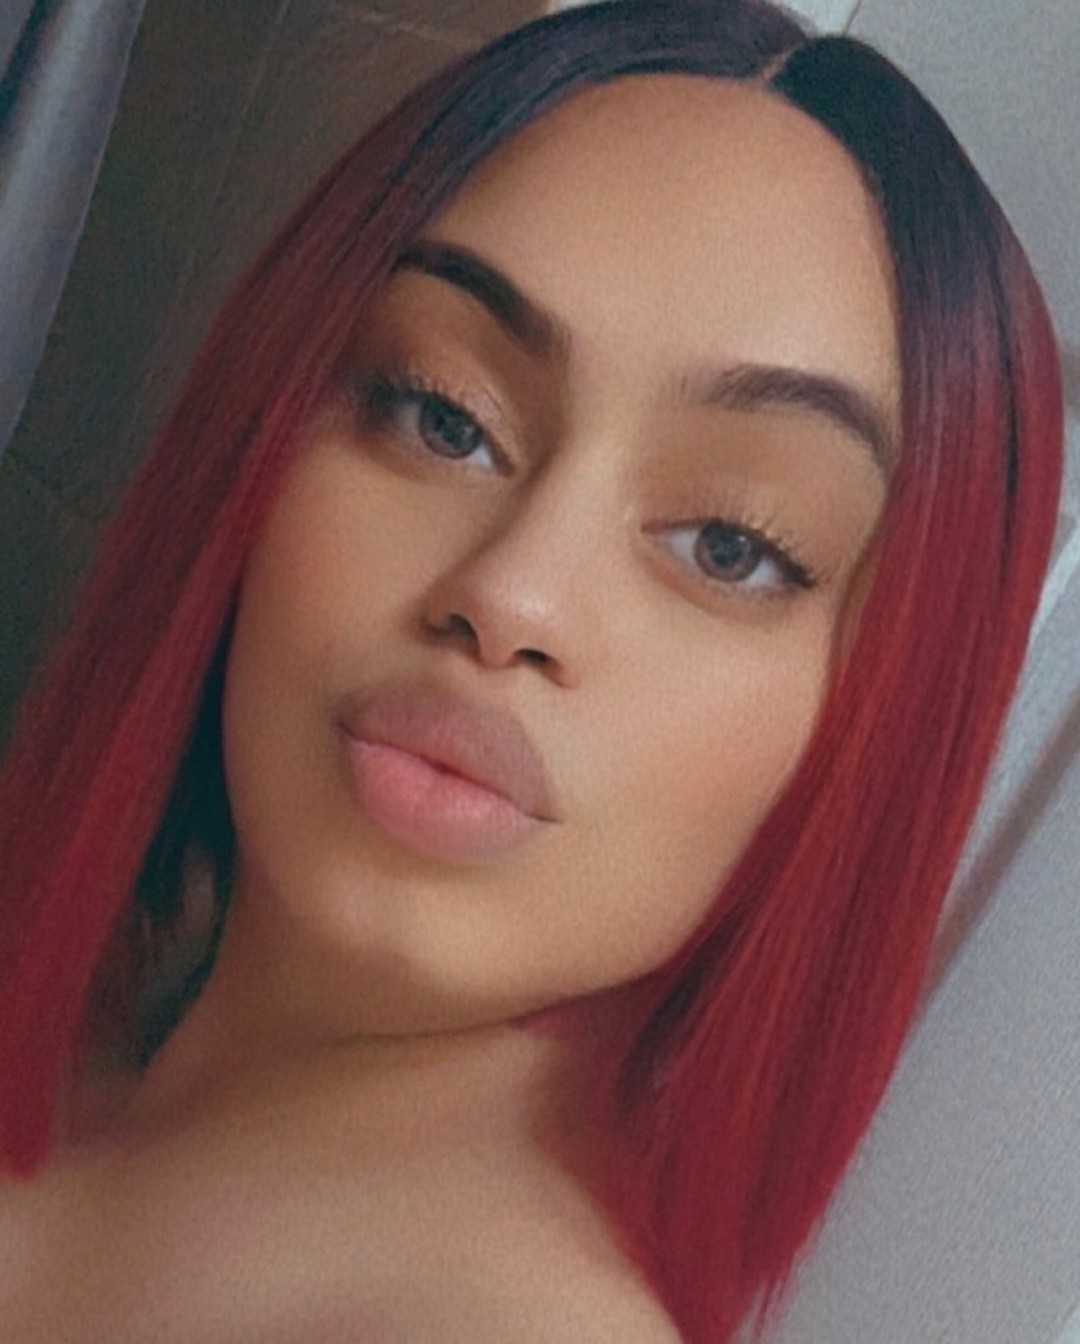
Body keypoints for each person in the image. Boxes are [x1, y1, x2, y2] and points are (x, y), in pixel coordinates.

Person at [0, 1, 1064, 1340]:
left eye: (731, 547)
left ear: (878, 726)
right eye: (444, 418)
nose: (511, 597)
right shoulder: (100, 1021)